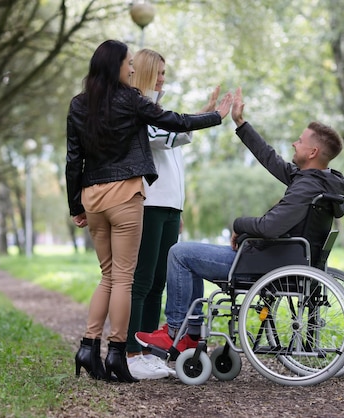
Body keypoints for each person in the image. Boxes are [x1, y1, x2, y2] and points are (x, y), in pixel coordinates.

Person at [135, 87, 344, 354]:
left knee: (180, 253)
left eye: (300, 140)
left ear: (312, 151)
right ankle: (189, 334)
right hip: (282, 259)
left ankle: (176, 332)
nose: (295, 143)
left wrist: (239, 225)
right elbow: (271, 159)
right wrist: (240, 123)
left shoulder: (307, 186)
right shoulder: (320, 182)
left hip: (266, 263)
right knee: (187, 255)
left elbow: (270, 226)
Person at [66, 40, 232, 383]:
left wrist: (75, 205)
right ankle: (119, 352)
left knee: (108, 276)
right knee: (127, 279)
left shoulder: (80, 104)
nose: (131, 68)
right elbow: (172, 122)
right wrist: (215, 116)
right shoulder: (130, 100)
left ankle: (87, 345)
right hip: (125, 194)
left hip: (92, 196)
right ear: (117, 66)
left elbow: (73, 159)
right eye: (128, 63)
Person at [123, 49, 222, 379]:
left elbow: (174, 137)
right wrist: (206, 117)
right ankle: (129, 351)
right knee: (143, 279)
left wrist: (201, 114)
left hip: (167, 206)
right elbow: (167, 139)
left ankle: (148, 349)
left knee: (160, 282)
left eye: (166, 72)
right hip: (149, 204)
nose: (164, 77)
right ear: (147, 72)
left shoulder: (157, 110)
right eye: (160, 72)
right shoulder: (138, 110)